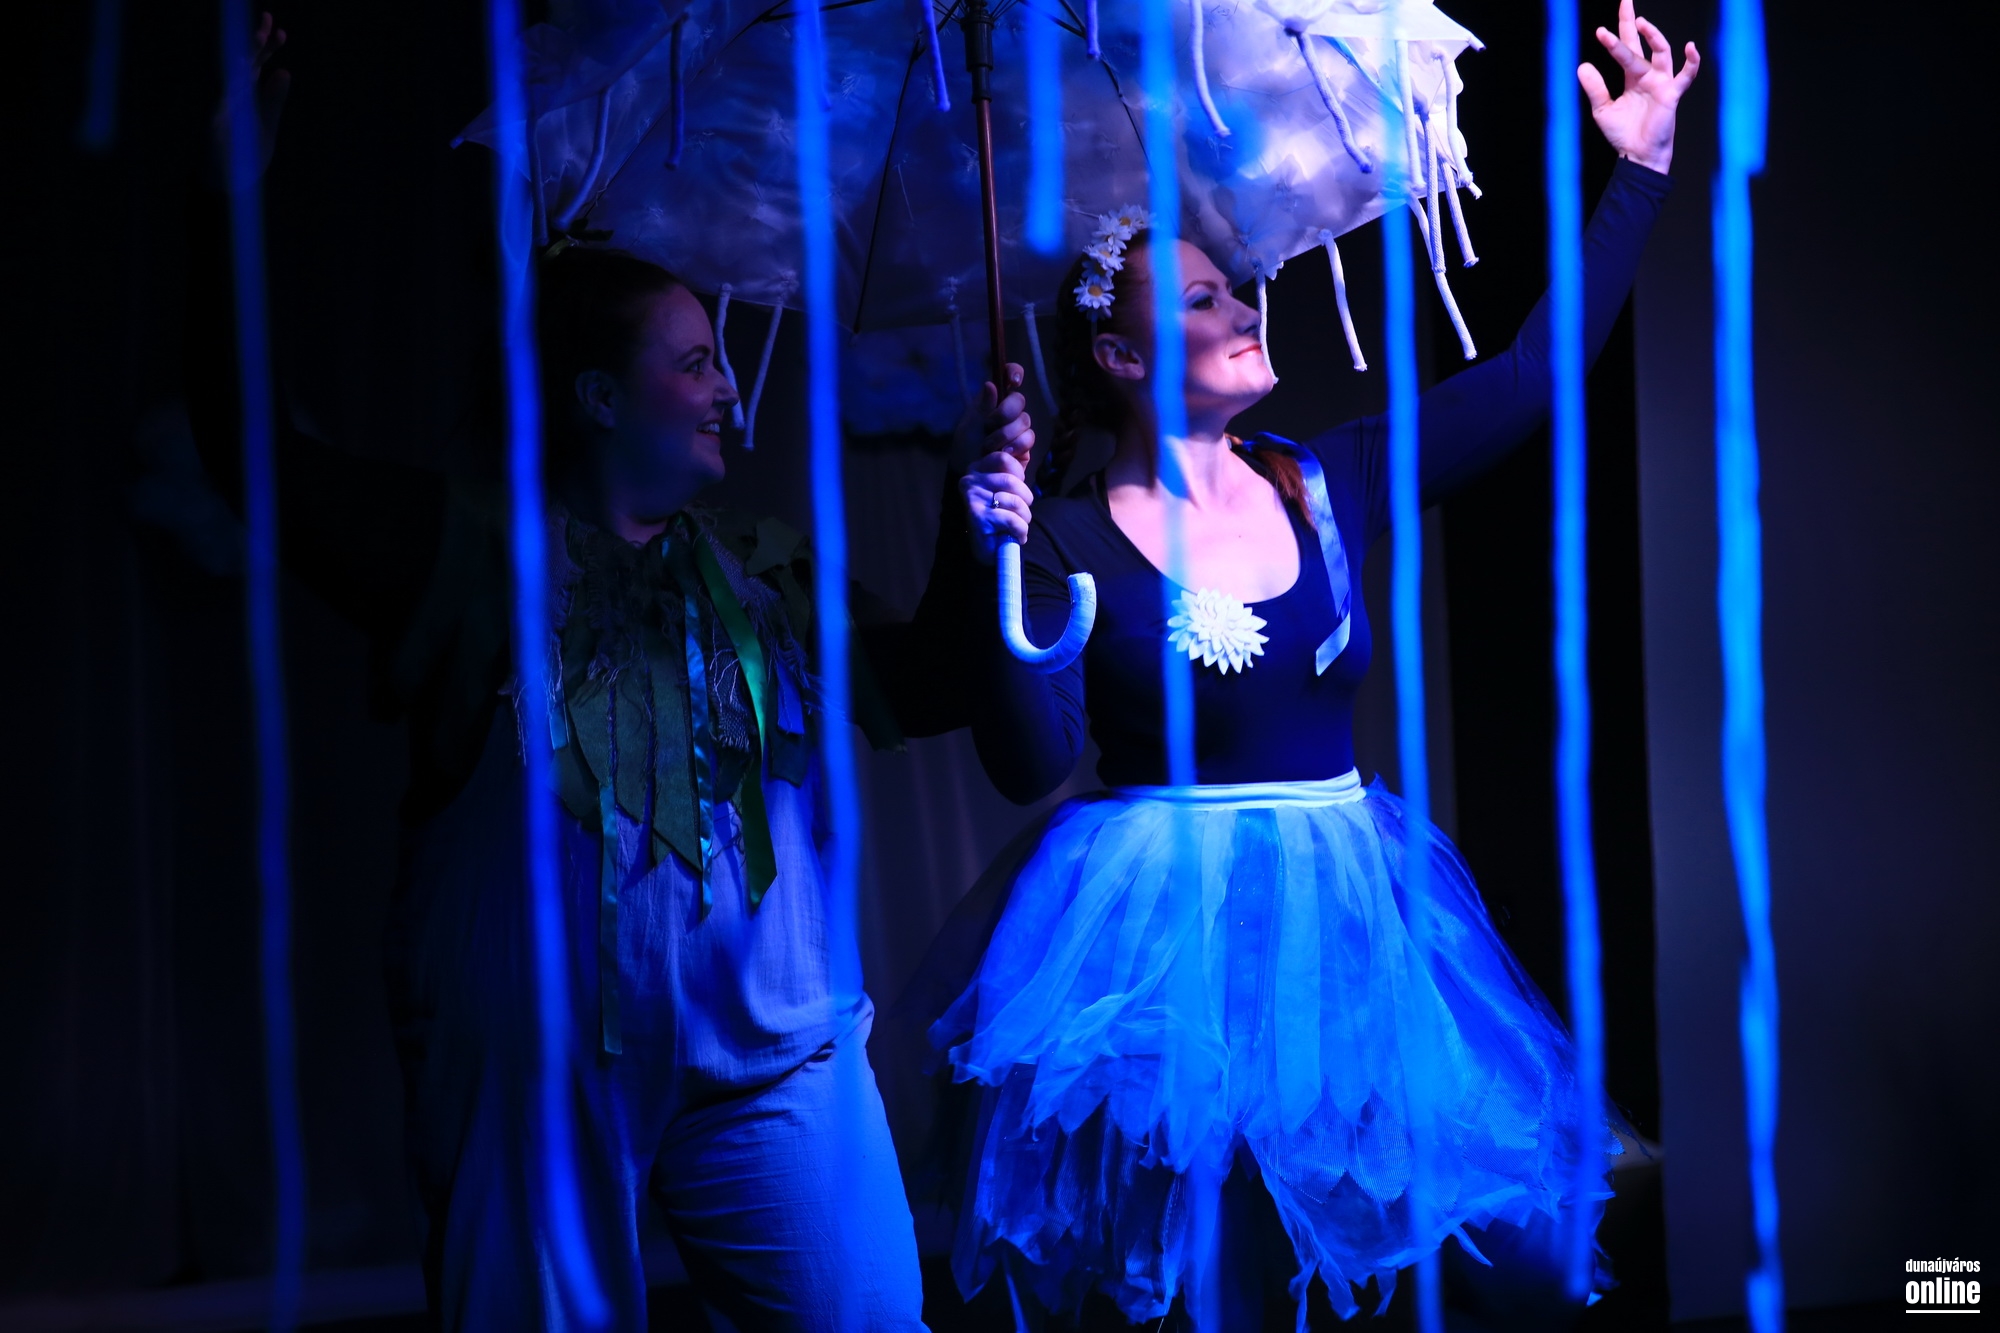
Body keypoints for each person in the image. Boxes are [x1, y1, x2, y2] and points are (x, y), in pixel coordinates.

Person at [193, 17, 969, 1330]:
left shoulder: (770, 579)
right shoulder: (469, 554)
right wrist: (229, 202)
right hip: (534, 1065)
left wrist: (977, 503)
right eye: (695, 360)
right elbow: (254, 455)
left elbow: (938, 680)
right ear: (601, 399)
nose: (727, 389)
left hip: (775, 1053)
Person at [940, 3, 1700, 1326]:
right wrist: (988, 558)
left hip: (1339, 915)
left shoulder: (1328, 478)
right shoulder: (1060, 536)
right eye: (1200, 299)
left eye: (1233, 286)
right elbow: (1024, 760)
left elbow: (1535, 375)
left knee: (1410, 1250)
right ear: (1121, 357)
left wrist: (1639, 168)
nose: (1245, 307)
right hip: (1153, 942)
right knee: (1199, 1270)